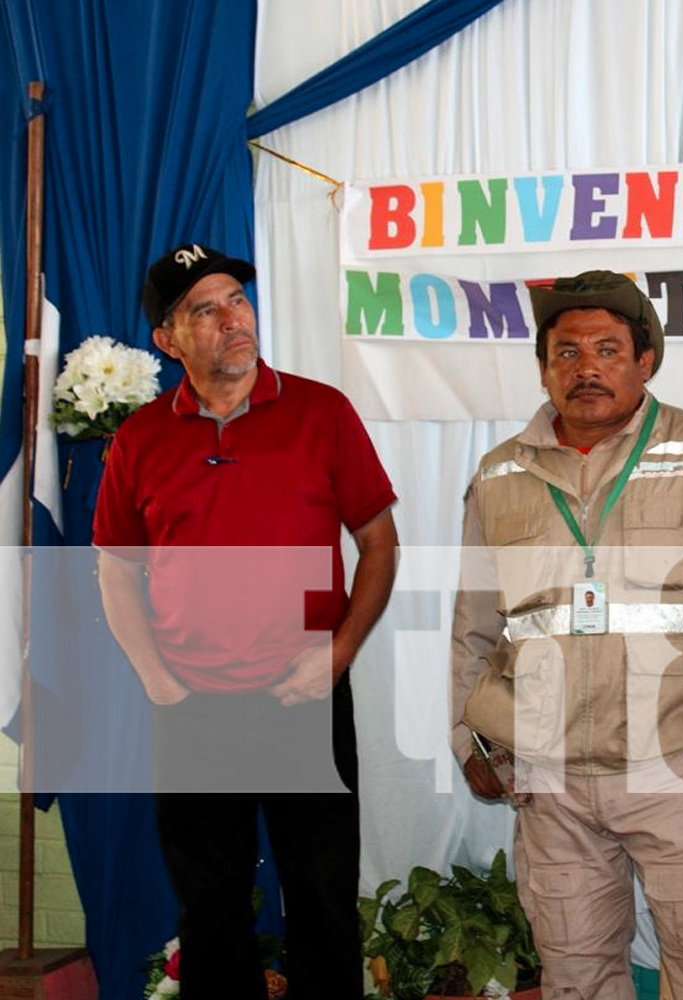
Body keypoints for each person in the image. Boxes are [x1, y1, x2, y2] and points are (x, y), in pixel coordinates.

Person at [450, 269, 683, 1000]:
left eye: (608, 349)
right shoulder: (499, 474)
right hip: (550, 776)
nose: (586, 368)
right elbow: (475, 623)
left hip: (670, 763)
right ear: (543, 368)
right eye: (566, 352)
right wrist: (468, 737)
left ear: (646, 361)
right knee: (575, 976)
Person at [94, 243, 398, 998]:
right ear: (167, 339)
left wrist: (337, 654)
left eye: (237, 299)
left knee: (323, 896)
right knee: (210, 908)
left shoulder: (321, 411)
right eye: (206, 308)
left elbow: (379, 542)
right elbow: (115, 570)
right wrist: (157, 679)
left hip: (306, 695)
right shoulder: (139, 438)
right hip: (192, 705)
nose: (233, 318)